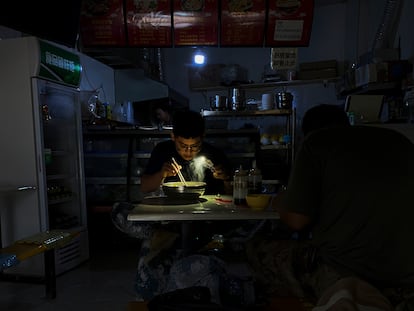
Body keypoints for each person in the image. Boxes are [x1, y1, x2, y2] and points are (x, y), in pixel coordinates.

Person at [254, 104, 414, 307]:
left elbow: (296, 221)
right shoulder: (398, 140)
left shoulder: (317, 142)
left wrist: (279, 202)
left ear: (307, 131)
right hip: (405, 273)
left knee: (257, 247)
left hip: (346, 269)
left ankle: (310, 298)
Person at [141, 109, 232, 195]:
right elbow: (145, 187)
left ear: (203, 137)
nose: (189, 151)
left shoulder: (214, 154)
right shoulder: (163, 150)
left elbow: (232, 193)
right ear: (173, 136)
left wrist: (226, 179)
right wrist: (161, 174)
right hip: (172, 206)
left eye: (195, 146)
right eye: (183, 146)